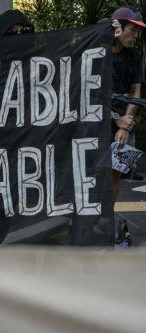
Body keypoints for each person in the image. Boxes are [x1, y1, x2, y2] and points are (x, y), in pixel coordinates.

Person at [109, 6, 145, 247]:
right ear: (118, 26)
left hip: (124, 125)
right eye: (132, 30)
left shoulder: (134, 55)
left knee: (114, 178)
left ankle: (113, 229)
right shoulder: (97, 52)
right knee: (94, 177)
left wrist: (125, 124)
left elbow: (136, 90)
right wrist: (114, 119)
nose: (135, 36)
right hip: (96, 123)